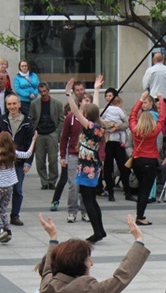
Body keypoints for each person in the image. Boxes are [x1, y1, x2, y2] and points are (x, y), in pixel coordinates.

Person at [64, 78, 107, 242]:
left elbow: (75, 111)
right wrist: (96, 89)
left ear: (88, 115)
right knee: (92, 200)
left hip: (87, 167)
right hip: (92, 166)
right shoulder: (98, 126)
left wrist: (68, 94)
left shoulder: (90, 126)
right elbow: (94, 107)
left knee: (88, 200)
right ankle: (100, 230)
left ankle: (97, 232)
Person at [129, 91, 166, 225]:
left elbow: (132, 115)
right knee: (146, 189)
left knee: (141, 188)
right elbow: (162, 118)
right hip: (150, 160)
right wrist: (161, 101)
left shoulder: (135, 129)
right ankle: (140, 216)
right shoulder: (154, 131)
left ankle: (139, 214)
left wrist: (140, 99)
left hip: (137, 160)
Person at [0, 94, 35, 227]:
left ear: (19, 104)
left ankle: (15, 215)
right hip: (5, 161)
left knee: (17, 190)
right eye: (9, 104)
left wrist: (28, 162)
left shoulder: (27, 121)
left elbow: (31, 143)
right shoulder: (1, 120)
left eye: (14, 104)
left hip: (20, 161)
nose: (12, 107)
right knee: (3, 190)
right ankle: (1, 215)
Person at [29, 82, 63, 190]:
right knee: (40, 160)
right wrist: (34, 131)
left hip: (52, 133)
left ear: (48, 90)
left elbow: (61, 120)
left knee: (53, 159)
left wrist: (57, 133)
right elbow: (31, 118)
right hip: (39, 133)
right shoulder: (34, 104)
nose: (43, 93)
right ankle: (44, 182)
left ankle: (52, 181)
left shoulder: (57, 104)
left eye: (44, 91)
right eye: (41, 92)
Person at [101, 86, 132, 201]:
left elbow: (126, 123)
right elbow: (100, 122)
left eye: (111, 96)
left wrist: (116, 127)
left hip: (118, 142)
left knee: (123, 166)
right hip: (108, 141)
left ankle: (127, 191)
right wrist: (111, 125)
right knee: (108, 167)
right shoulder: (103, 110)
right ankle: (110, 192)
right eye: (107, 96)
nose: (108, 98)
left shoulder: (121, 111)